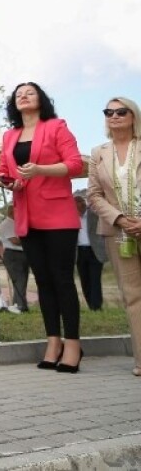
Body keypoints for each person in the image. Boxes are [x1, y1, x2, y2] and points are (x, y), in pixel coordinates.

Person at [0, 82, 85, 373]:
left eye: (29, 92)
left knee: (62, 279)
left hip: (58, 213)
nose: (23, 95)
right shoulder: (10, 135)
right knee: (43, 281)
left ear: (41, 99)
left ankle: (73, 344)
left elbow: (73, 165)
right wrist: (6, 180)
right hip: (27, 215)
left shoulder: (57, 127)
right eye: (18, 93)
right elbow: (5, 171)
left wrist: (39, 170)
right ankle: (53, 341)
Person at [85, 96, 141, 376]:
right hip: (118, 232)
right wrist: (119, 219)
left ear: (133, 115)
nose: (114, 116)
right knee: (132, 296)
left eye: (121, 111)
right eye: (108, 111)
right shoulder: (98, 152)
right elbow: (93, 195)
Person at [73, 191, 105, 311]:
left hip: (94, 250)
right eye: (75, 206)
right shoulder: (71, 217)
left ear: (83, 203)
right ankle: (90, 304)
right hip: (80, 252)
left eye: (80, 204)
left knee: (95, 278)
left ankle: (97, 306)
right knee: (84, 279)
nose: (79, 208)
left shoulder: (94, 214)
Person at [0, 212, 29, 313]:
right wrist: (29, 240)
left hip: (21, 253)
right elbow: (14, 241)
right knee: (19, 280)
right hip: (13, 254)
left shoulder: (15, 223)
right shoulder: (7, 223)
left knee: (22, 280)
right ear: (12, 212)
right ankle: (19, 305)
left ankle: (19, 304)